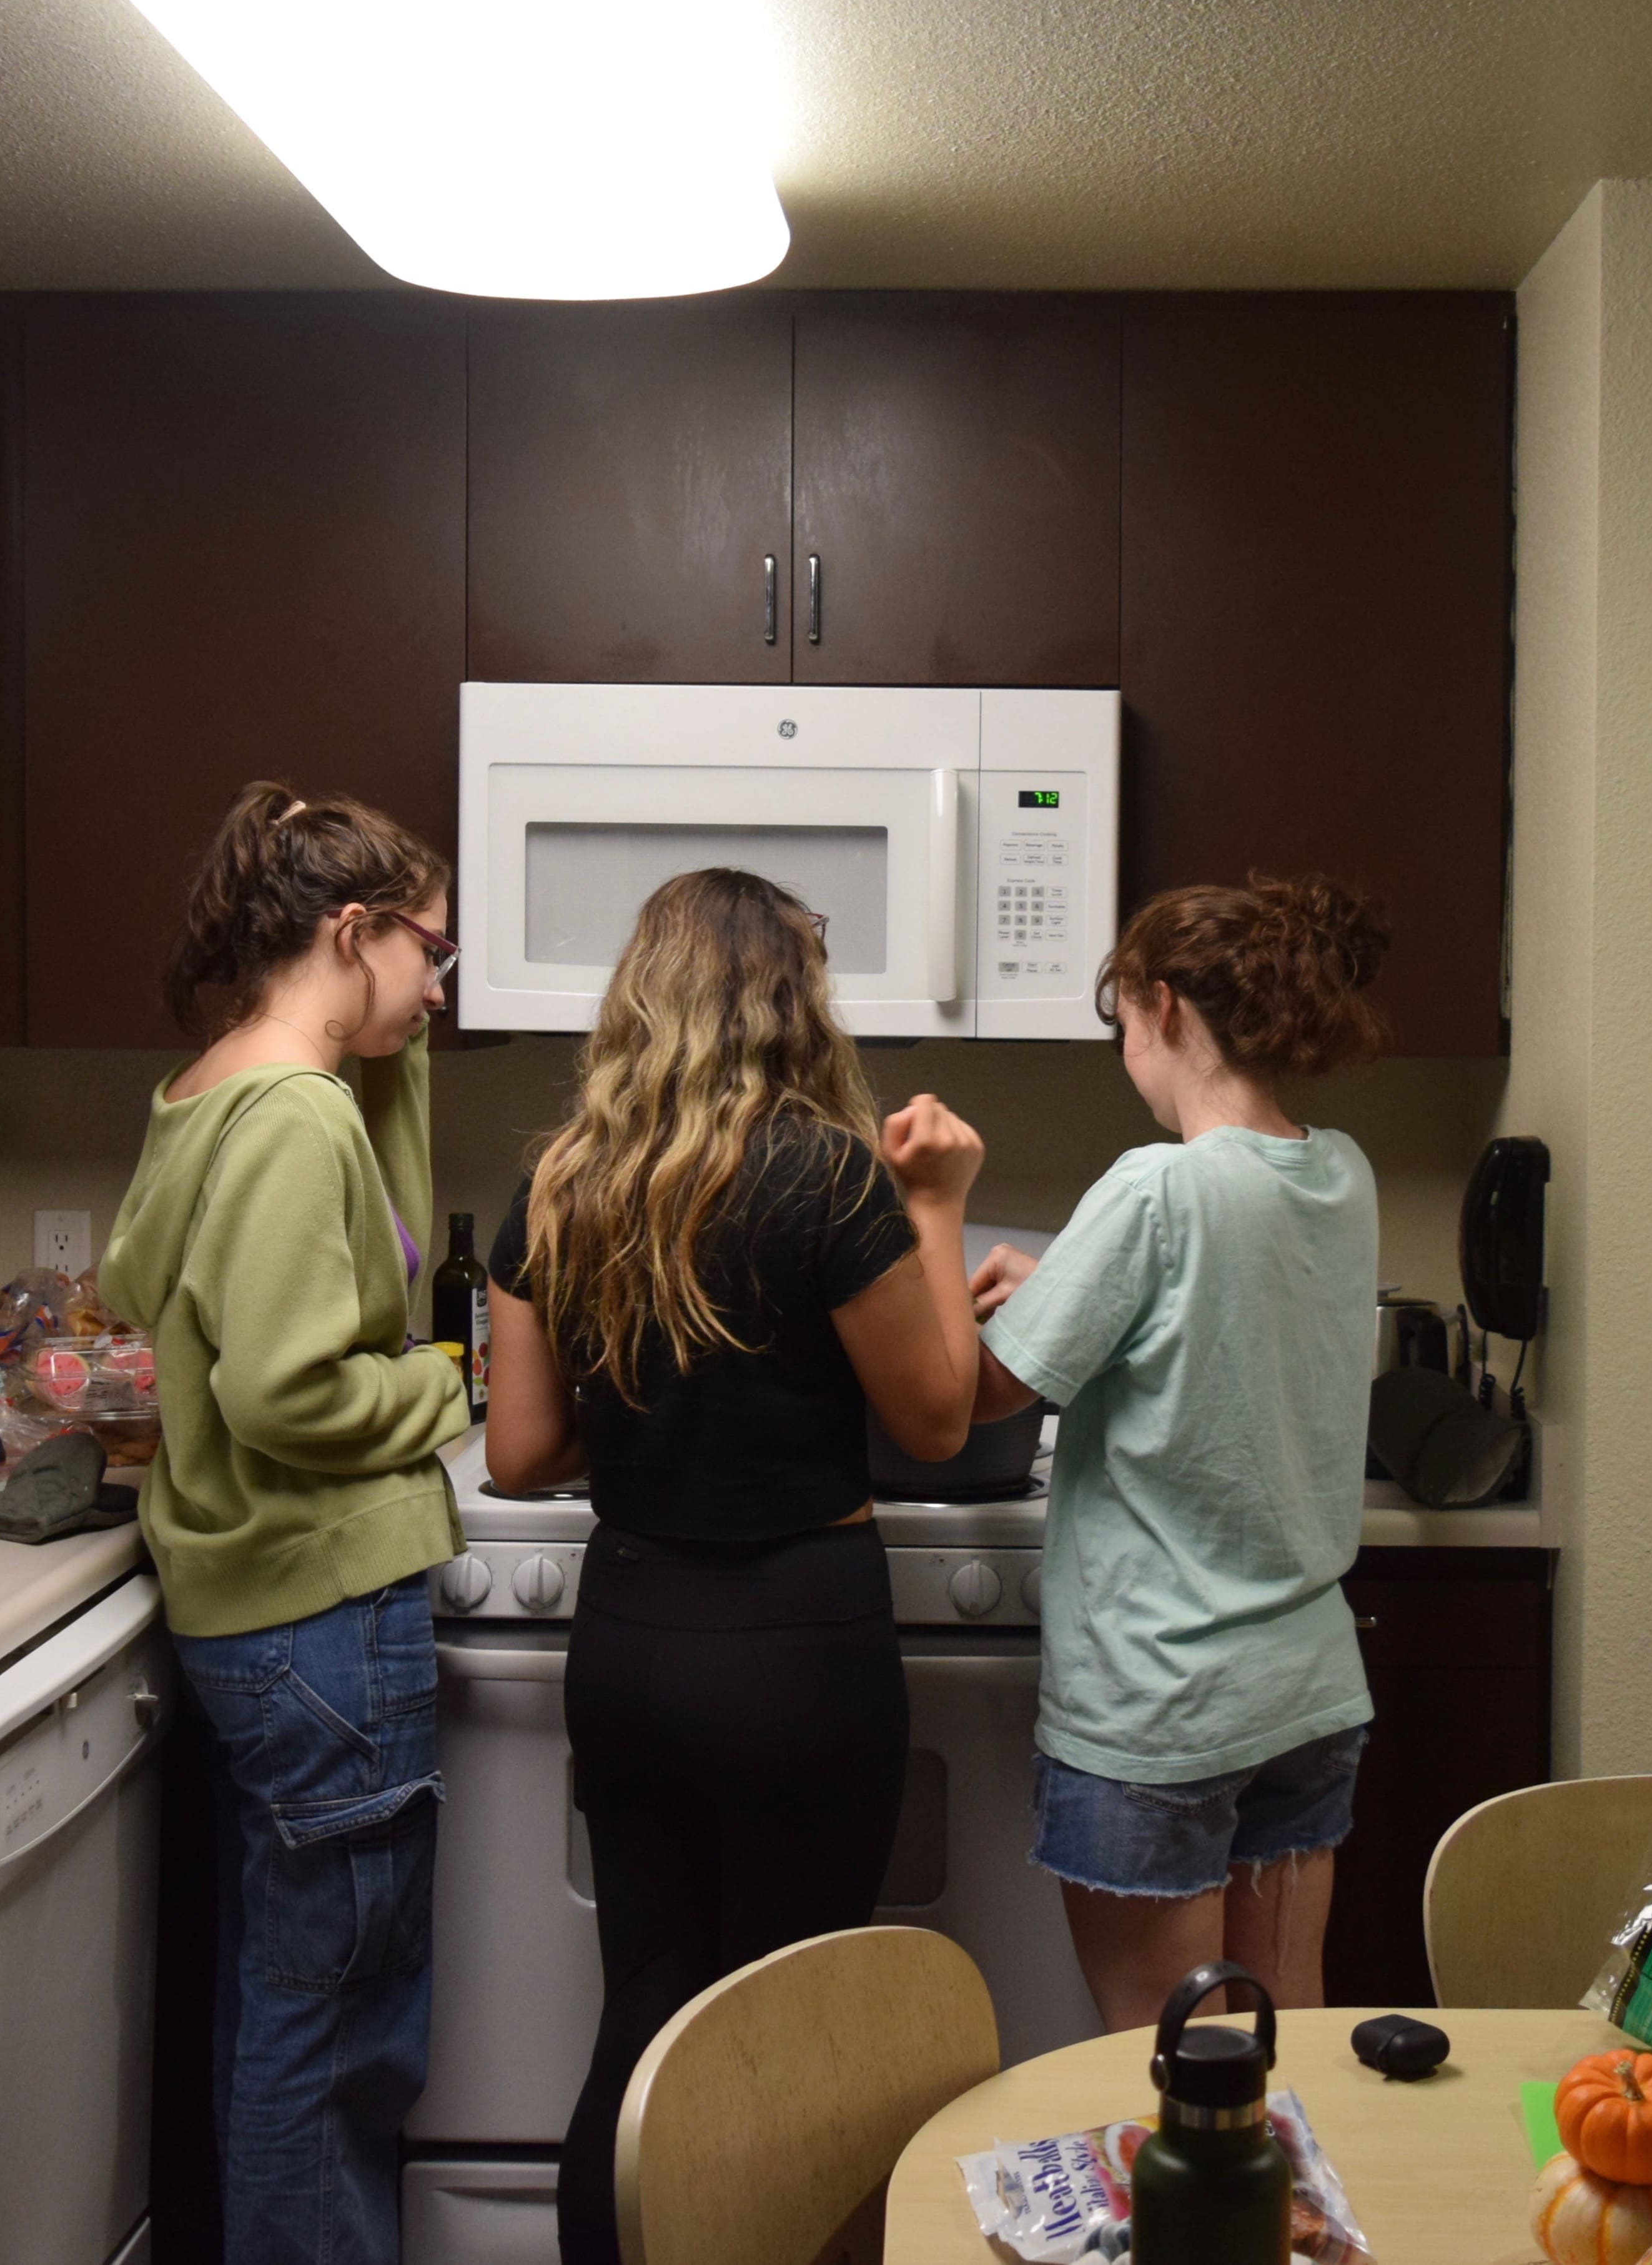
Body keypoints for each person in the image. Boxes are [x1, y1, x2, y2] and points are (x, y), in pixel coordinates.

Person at [475, 868, 988, 2265]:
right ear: (792, 1000)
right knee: (788, 2038)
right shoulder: (830, 1174)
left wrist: (653, 1379)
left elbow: (518, 1451)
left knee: (641, 2024)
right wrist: (935, 1211)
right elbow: (936, 1417)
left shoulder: (559, 1179)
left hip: (631, 1638)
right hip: (799, 1647)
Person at [97, 781, 472, 2265]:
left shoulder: (220, 1089)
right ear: (350, 927)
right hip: (322, 1610)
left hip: (261, 1617)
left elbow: (173, 1290)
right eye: (429, 950)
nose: (440, 986)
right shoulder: (295, 1116)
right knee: (337, 2040)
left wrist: (396, 1032)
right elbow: (290, 1390)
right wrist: (441, 1386)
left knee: (295, 2007)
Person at [964, 873, 1393, 2030]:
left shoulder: (1155, 1185)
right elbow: (1224, 1286)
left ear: (1164, 1008)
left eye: (1120, 1030)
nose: (1124, 1057)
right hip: (1302, 1695)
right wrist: (1065, 1274)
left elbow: (988, 1391)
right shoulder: (1341, 1171)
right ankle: (1298, 2222)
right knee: (1277, 2040)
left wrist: (925, 1211)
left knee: (1169, 2072)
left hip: (1160, 1705)